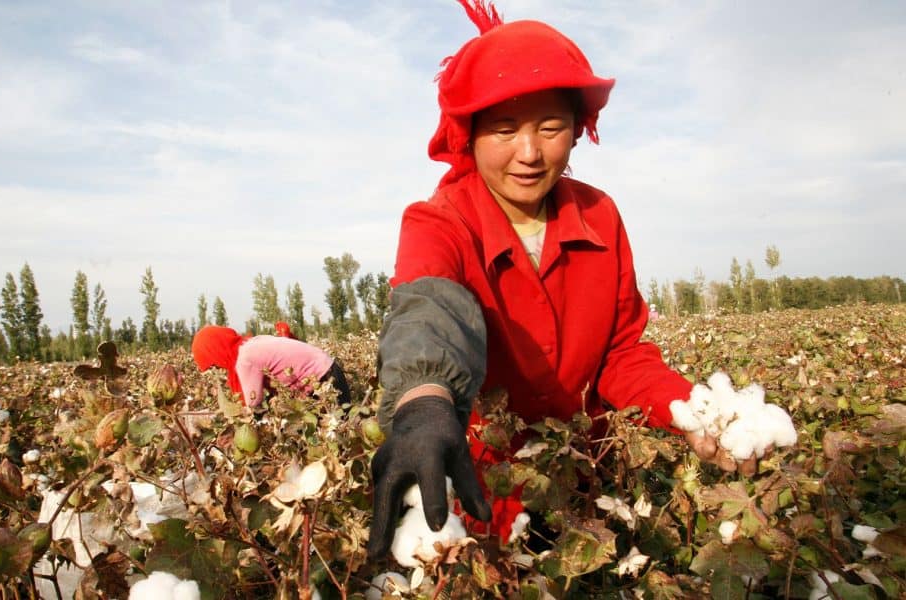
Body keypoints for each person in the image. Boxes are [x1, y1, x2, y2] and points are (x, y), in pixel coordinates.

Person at [367, 0, 758, 559]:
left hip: (584, 485)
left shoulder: (599, 217)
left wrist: (691, 410)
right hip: (486, 502)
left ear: (577, 130)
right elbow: (430, 312)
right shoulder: (440, 221)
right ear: (469, 134)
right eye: (504, 129)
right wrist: (426, 400)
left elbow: (621, 354)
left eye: (550, 127)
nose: (528, 153)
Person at [191, 325, 351, 406]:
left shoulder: (244, 359)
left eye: (213, 364)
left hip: (325, 383)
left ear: (215, 352)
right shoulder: (252, 343)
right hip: (330, 372)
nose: (219, 369)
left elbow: (253, 404)